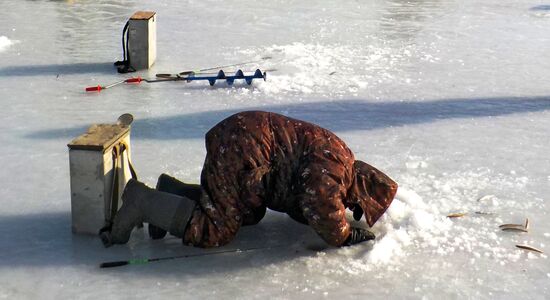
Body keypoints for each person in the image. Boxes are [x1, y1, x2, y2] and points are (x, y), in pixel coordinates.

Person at [101, 111, 398, 248]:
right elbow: (317, 202)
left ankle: (172, 193)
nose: (349, 209)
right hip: (244, 149)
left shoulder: (339, 158)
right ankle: (143, 202)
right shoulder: (338, 166)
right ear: (362, 189)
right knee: (216, 229)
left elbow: (299, 206)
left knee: (248, 213)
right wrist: (342, 234)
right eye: (356, 207)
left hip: (248, 148)